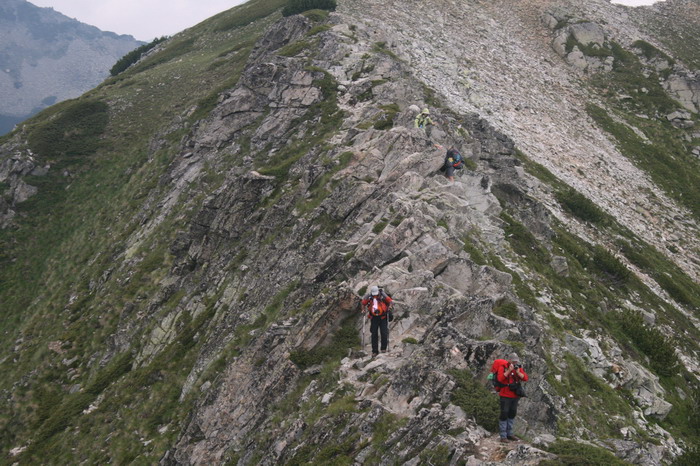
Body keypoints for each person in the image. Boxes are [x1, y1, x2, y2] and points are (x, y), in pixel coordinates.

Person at [496, 353, 529, 443]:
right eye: (513, 361)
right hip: (505, 395)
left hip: (515, 395)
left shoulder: (518, 368)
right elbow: (500, 379)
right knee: (504, 414)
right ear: (509, 360)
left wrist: (518, 372)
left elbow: (525, 378)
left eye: (516, 361)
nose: (515, 363)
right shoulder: (503, 367)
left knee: (512, 413)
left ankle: (509, 434)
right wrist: (509, 371)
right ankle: (503, 436)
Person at [361, 286, 393, 357]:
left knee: (384, 333)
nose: (375, 295)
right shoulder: (368, 296)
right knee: (374, 334)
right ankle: (375, 351)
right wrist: (363, 309)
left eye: (376, 294)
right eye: (374, 294)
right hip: (374, 318)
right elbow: (363, 303)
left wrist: (390, 307)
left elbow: (390, 301)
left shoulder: (382, 295)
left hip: (383, 317)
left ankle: (383, 348)